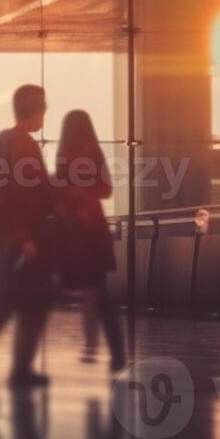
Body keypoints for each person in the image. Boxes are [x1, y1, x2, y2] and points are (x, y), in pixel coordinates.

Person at [0, 84, 58, 389]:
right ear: (37, 110)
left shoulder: (3, 142)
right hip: (20, 237)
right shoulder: (23, 145)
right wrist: (25, 238)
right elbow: (21, 196)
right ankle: (19, 368)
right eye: (44, 109)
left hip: (1, 235)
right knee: (33, 301)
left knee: (10, 298)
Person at [54, 110, 127, 371]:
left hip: (77, 232)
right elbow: (105, 190)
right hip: (91, 230)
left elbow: (62, 192)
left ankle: (96, 347)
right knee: (96, 291)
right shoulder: (93, 154)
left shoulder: (65, 156)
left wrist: (70, 191)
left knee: (92, 292)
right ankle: (105, 349)